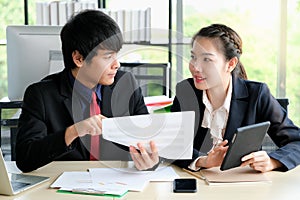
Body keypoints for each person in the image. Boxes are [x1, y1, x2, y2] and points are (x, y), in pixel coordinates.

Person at [16, 9, 159, 172]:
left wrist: (149, 160)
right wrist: (73, 131)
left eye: (116, 55)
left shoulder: (126, 84)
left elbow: (148, 140)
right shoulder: (41, 95)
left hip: (119, 185)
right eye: (108, 57)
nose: (116, 64)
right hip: (63, 188)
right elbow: (25, 159)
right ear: (79, 59)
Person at [171, 23, 300, 172]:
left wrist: (272, 161)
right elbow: (174, 145)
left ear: (231, 64)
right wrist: (203, 161)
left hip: (243, 186)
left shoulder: (257, 94)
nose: (195, 67)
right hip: (197, 185)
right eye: (193, 57)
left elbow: (297, 141)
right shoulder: (185, 92)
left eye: (207, 60)